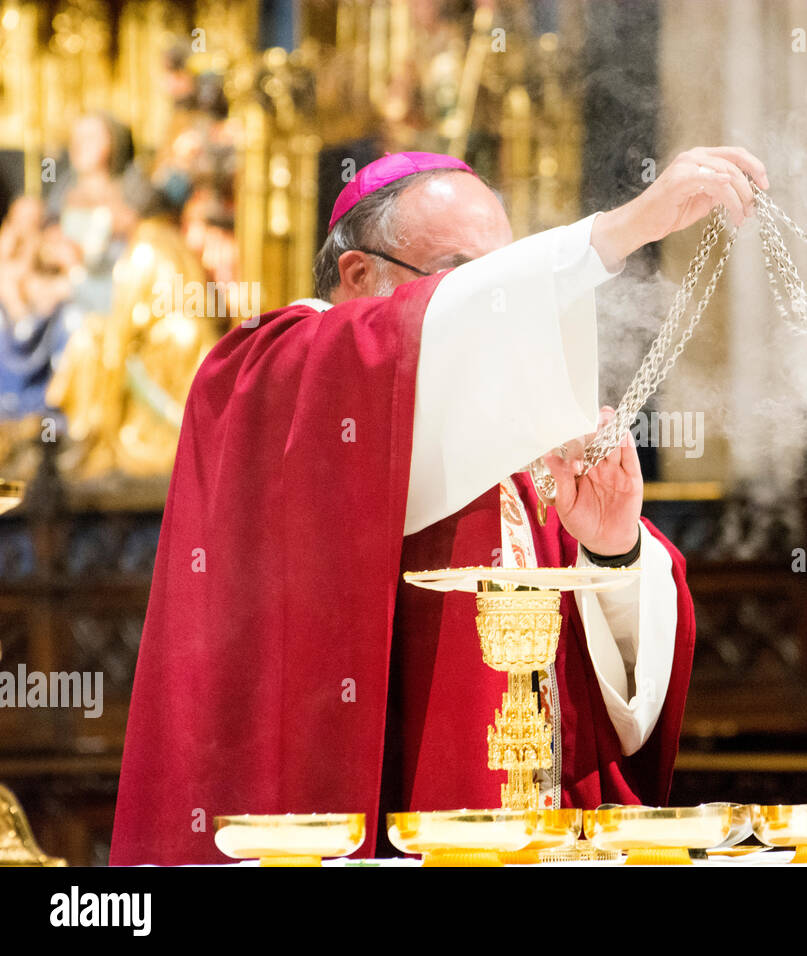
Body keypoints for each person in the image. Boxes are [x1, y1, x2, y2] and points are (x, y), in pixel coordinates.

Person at [111, 146, 768, 864]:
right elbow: (372, 361)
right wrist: (615, 233)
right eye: (469, 280)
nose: (500, 308)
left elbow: (599, 715)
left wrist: (611, 550)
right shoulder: (271, 376)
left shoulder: (518, 439)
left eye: (504, 275)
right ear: (359, 275)